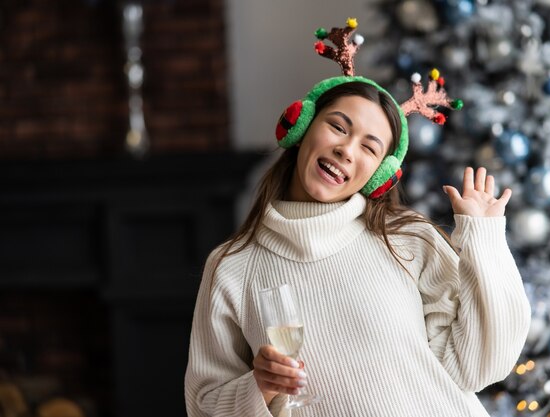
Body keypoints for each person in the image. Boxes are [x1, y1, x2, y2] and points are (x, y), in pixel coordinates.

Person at [185, 18, 531, 417]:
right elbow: (204, 404)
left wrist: (483, 238)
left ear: (380, 175)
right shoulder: (232, 268)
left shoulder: (406, 240)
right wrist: (258, 388)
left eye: (369, 148)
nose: (347, 150)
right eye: (337, 127)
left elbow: (476, 365)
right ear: (300, 126)